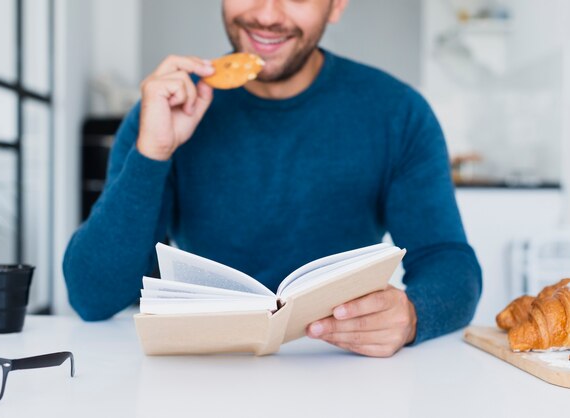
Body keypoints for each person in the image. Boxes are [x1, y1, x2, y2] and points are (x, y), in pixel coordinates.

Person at [63, 0, 482, 357]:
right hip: (205, 365)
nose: (266, 14)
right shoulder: (167, 109)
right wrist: (153, 152)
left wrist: (412, 315)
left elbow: (450, 262)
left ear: (336, 5)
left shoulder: (398, 112)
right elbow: (92, 297)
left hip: (337, 363)